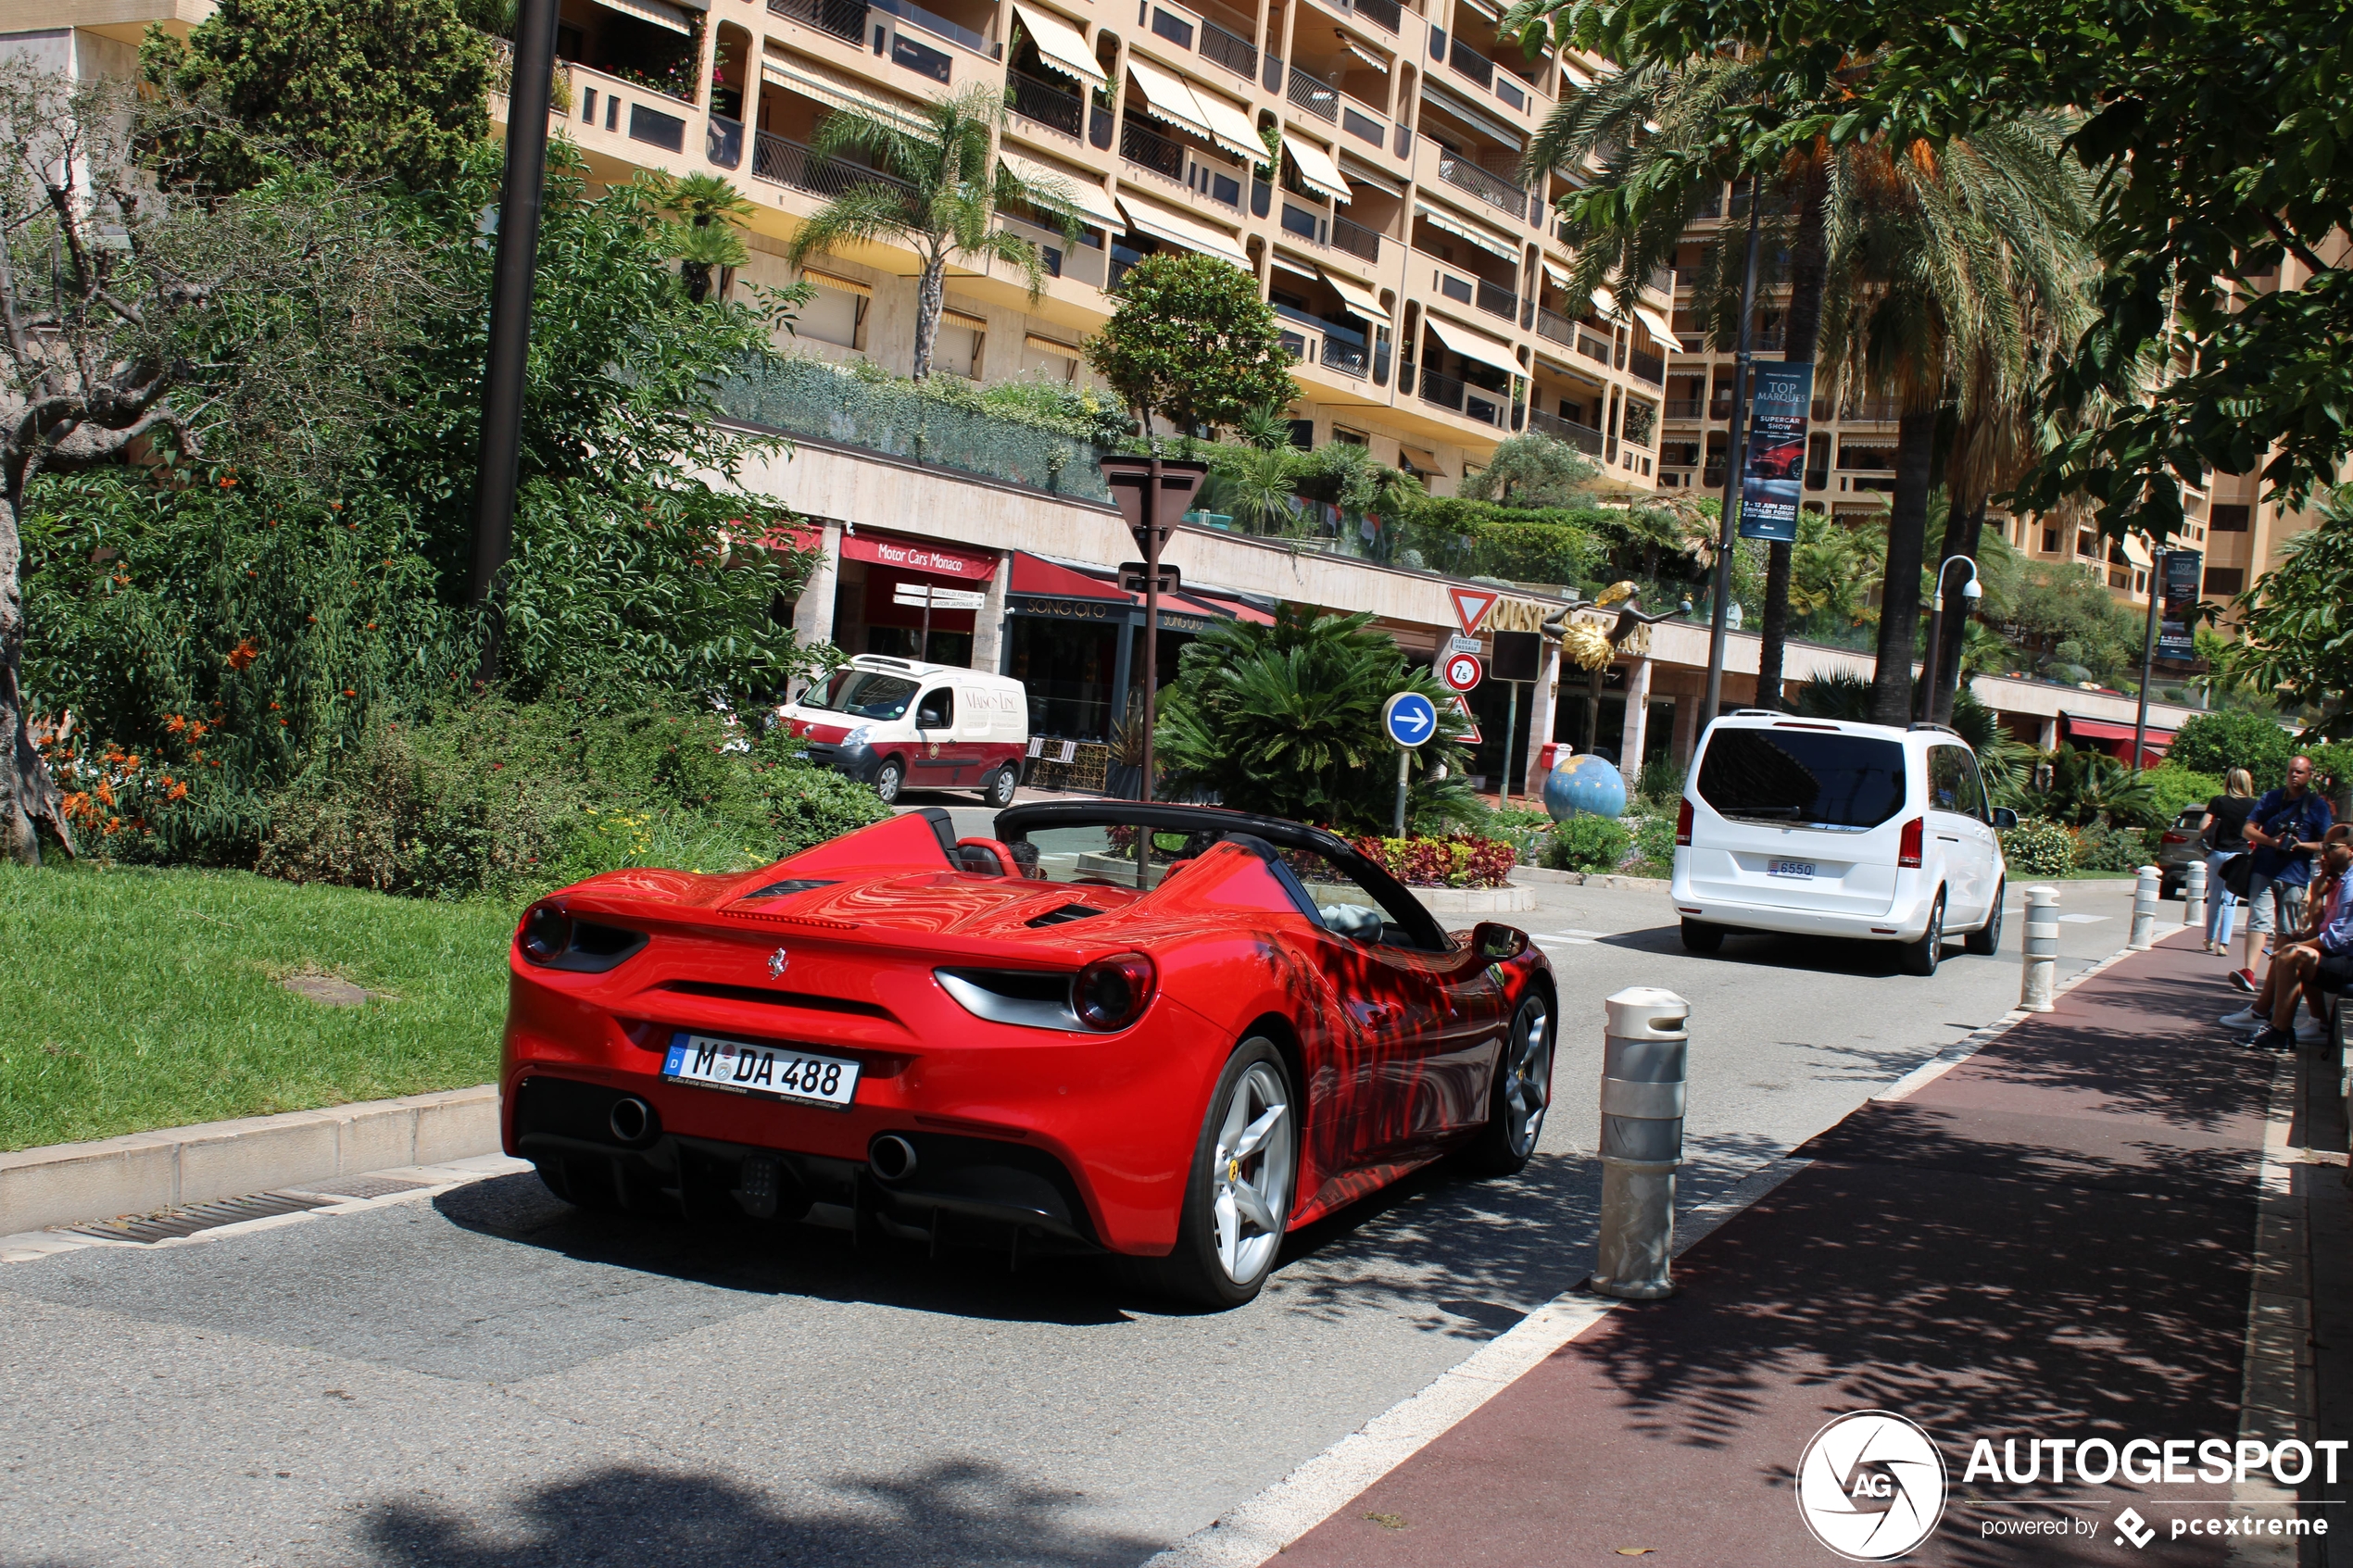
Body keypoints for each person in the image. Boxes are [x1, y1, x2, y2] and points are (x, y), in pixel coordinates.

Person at [2234, 835, 2353, 1050]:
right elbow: (2320, 930)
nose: (2323, 851)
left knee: (2293, 954)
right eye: (2323, 844)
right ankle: (2299, 1024)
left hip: (2349, 960)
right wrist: (2316, 895)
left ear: (2351, 850)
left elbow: (2339, 939)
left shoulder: (2351, 884)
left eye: (2331, 846)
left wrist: (2299, 947)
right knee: (2294, 945)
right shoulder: (2340, 880)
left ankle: (2279, 1030)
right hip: (2343, 956)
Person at [2233, 755, 2335, 991]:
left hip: (2295, 875)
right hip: (2264, 869)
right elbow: (2248, 830)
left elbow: (2326, 843)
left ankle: (2275, 976)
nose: (2294, 775)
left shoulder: (2318, 806)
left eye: (2299, 772)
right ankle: (2248, 971)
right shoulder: (2271, 798)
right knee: (2258, 918)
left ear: (2310, 775)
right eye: (2291, 771)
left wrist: (2299, 846)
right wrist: (2271, 841)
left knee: (2286, 928)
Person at [2199, 768, 2259, 954]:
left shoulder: (2218, 801)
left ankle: (2209, 938)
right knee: (2230, 899)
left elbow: (2202, 826)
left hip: (2218, 853)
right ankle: (2223, 944)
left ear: (2229, 782)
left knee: (2214, 896)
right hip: (2239, 855)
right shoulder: (2253, 805)